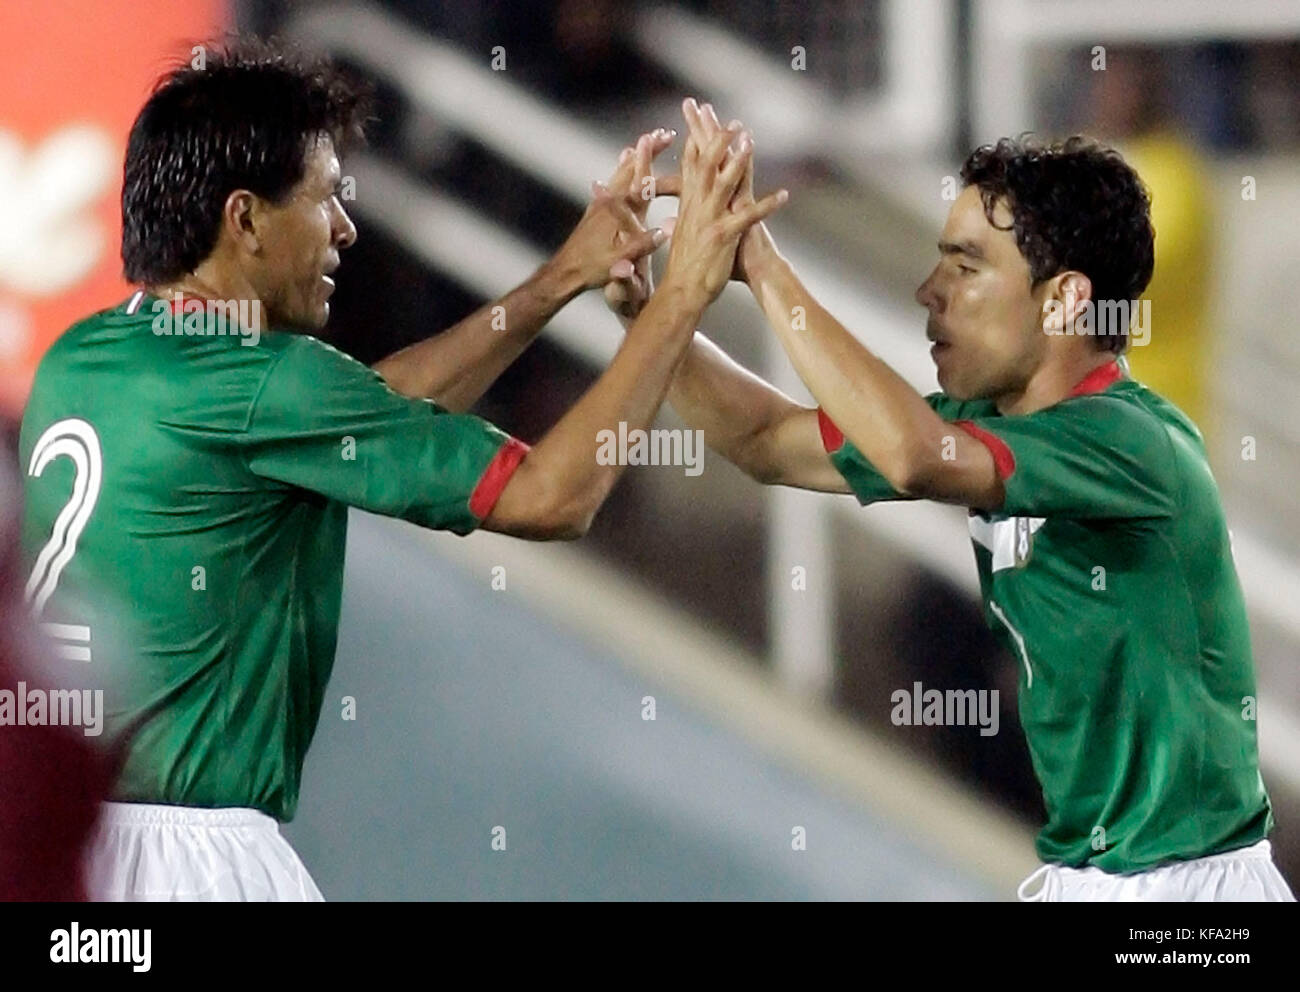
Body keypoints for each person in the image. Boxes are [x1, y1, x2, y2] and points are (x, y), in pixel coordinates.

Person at [18, 40, 784, 901]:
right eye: (324, 201)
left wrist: (554, 283)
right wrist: (682, 296)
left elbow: (359, 411)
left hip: (65, 851)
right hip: (192, 862)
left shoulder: (84, 357)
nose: (346, 227)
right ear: (245, 219)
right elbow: (554, 496)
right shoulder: (269, 382)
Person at [605, 102, 1293, 902]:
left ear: (1066, 300)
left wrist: (758, 261)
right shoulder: (987, 428)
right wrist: (646, 314)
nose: (929, 291)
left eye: (965, 268)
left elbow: (907, 457)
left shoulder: (1128, 442)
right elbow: (761, 440)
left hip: (1191, 901)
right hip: (1096, 878)